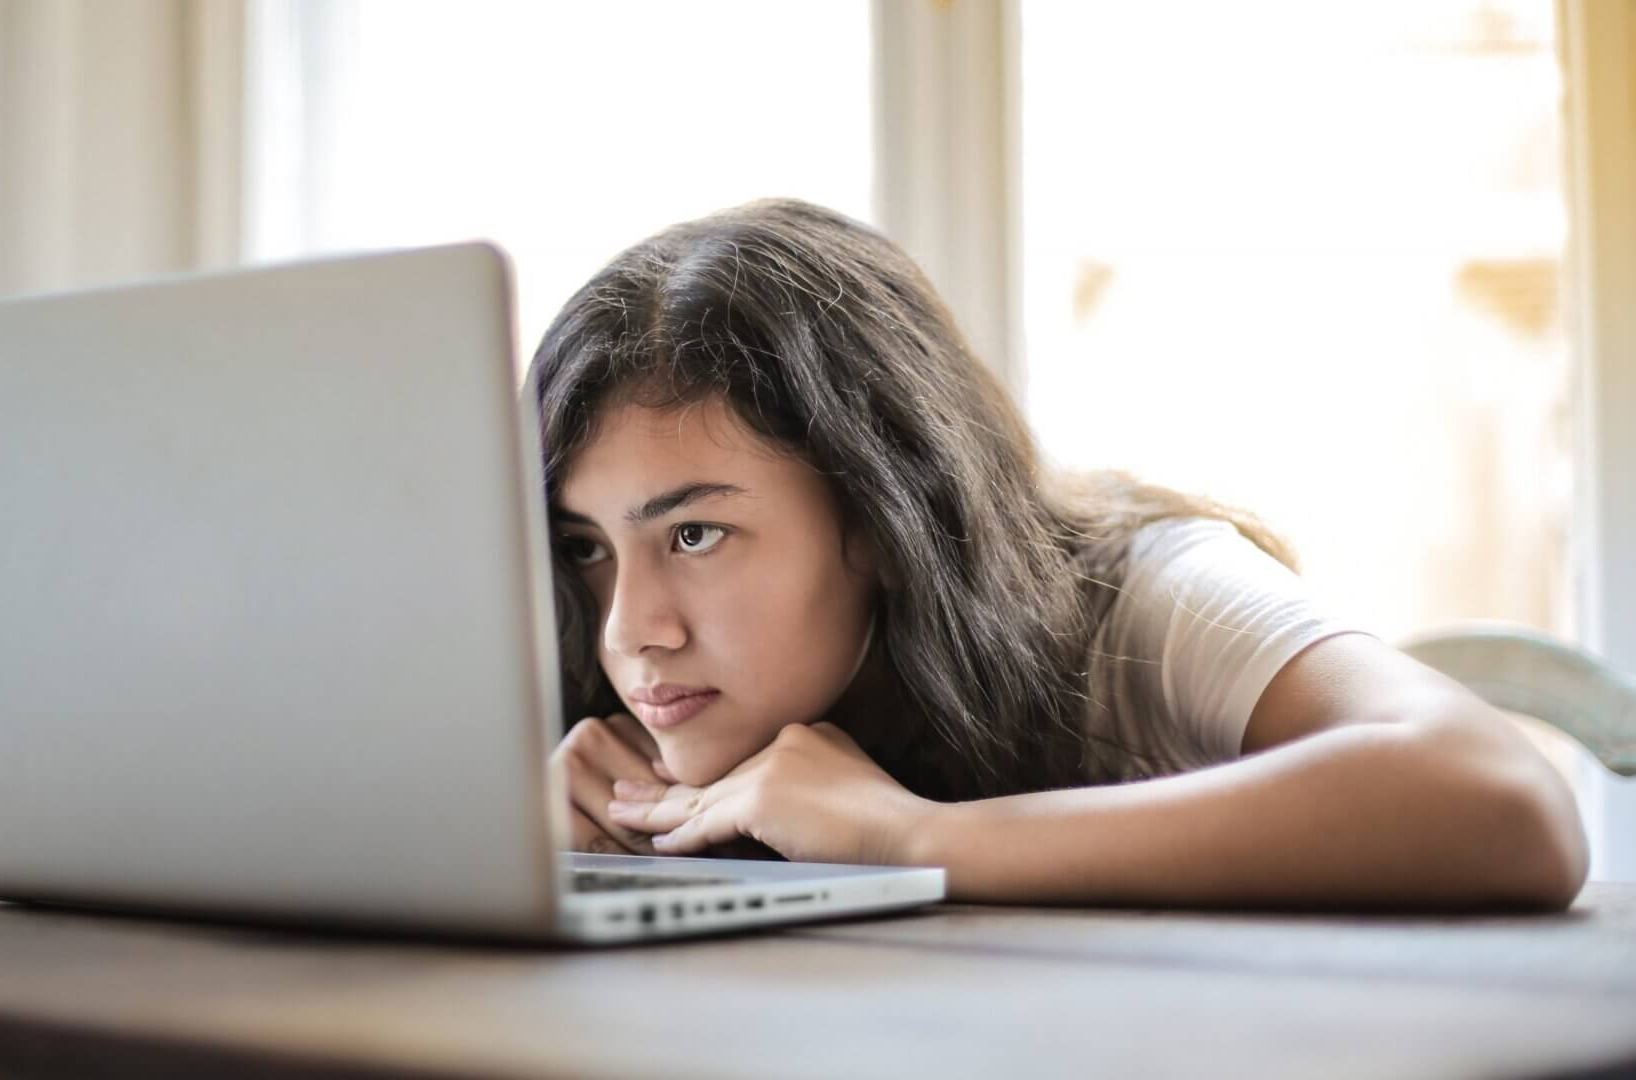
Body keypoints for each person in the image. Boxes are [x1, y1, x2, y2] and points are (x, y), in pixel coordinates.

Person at [529, 197, 1588, 910]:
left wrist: (908, 840)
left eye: (695, 534)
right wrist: (518, 848)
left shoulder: (1144, 595)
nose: (633, 629)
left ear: (886, 516)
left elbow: (1502, 800)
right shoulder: (615, 706)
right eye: (586, 546)